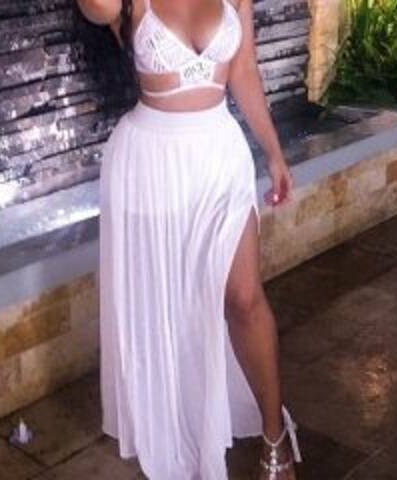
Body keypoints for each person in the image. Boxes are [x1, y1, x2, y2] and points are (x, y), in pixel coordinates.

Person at [76, 0, 303, 478]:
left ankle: (274, 434)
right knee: (166, 307)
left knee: (244, 299)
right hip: (151, 165)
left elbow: (243, 69)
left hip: (220, 156)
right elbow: (96, 9)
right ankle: (181, 428)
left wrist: (274, 152)